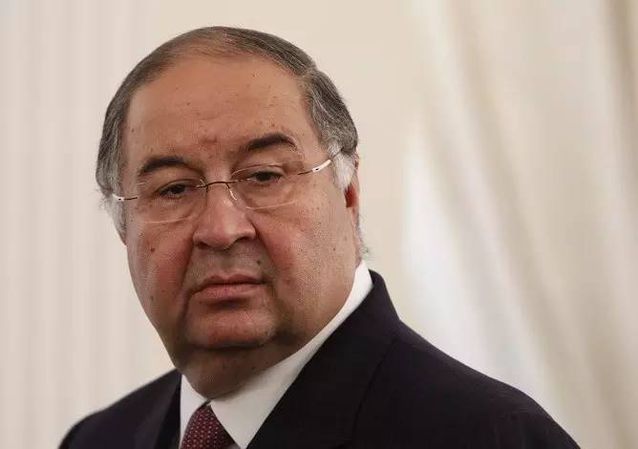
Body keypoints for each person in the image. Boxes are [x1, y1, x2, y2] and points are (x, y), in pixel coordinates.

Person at [60, 26, 579, 449]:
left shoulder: (492, 438)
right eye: (174, 189)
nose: (221, 229)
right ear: (123, 224)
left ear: (349, 193)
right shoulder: (98, 439)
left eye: (264, 176)